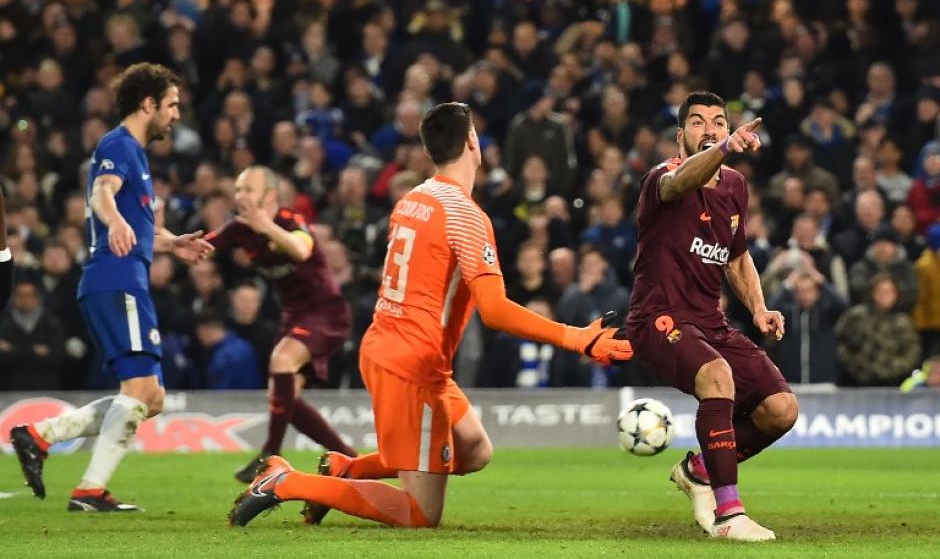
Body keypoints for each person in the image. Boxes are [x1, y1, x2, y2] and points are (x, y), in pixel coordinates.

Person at [228, 102, 632, 528]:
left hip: (406, 353)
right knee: (419, 514)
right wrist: (575, 337)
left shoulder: (412, 199)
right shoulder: (465, 215)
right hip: (411, 365)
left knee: (475, 449)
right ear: (473, 142)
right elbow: (494, 311)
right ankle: (287, 481)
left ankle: (348, 470)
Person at [10, 63, 213, 511]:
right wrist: (117, 219)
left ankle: (40, 436)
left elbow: (135, 226)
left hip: (124, 282)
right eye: (172, 105)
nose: (177, 115)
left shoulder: (137, 154)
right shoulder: (118, 144)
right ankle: (88, 490)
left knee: (150, 397)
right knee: (140, 392)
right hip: (115, 282)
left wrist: (171, 242)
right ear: (148, 104)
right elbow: (102, 192)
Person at [626, 91, 797, 542]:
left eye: (719, 123)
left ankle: (699, 469)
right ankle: (728, 515)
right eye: (698, 122)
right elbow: (682, 182)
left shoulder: (735, 187)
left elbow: (737, 259)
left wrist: (759, 310)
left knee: (781, 410)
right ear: (681, 135)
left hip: (710, 322)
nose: (710, 129)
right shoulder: (661, 179)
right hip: (657, 318)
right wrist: (721, 150)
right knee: (717, 376)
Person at [205, 165, 357, 482]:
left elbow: (301, 248)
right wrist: (168, 240)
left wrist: (265, 225)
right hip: (293, 316)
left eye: (248, 189)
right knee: (283, 396)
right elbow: (203, 246)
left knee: (281, 360)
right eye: (237, 189)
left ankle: (270, 456)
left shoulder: (290, 221)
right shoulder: (240, 228)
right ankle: (350, 462)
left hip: (324, 311)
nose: (240, 196)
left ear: (269, 196)